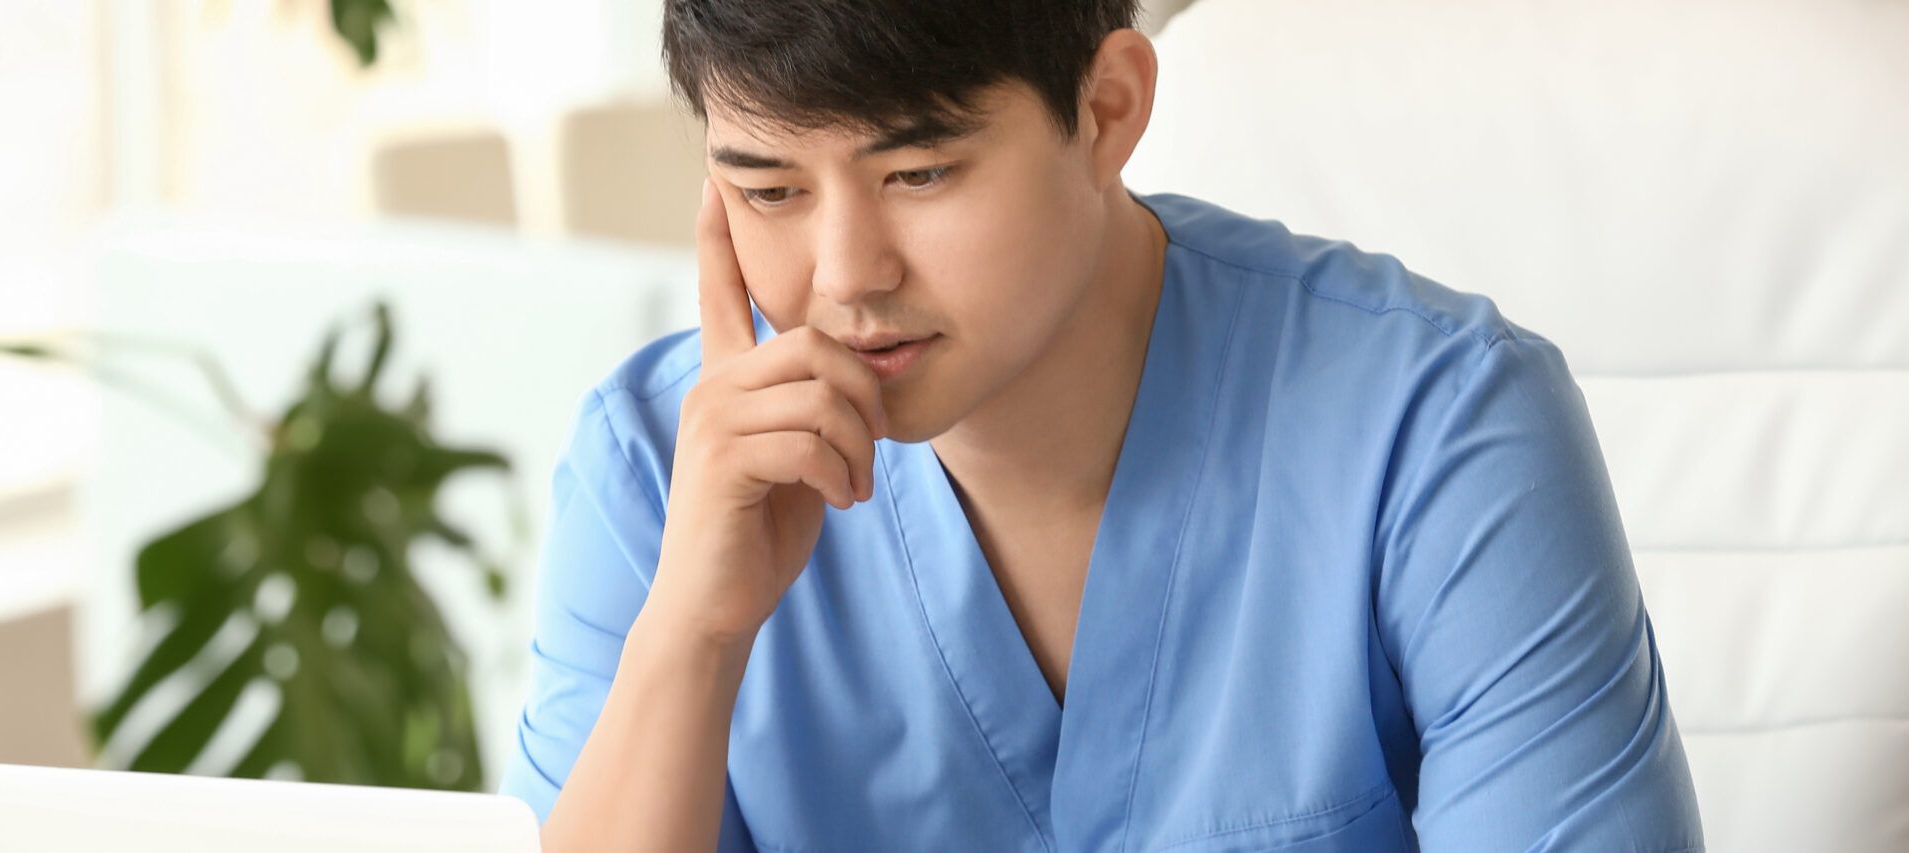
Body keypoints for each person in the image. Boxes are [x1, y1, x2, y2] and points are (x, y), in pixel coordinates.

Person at [499, 1, 1707, 850]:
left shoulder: (1440, 435)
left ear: (1108, 108)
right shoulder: (654, 474)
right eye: (768, 191)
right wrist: (693, 638)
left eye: (919, 175)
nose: (842, 275)